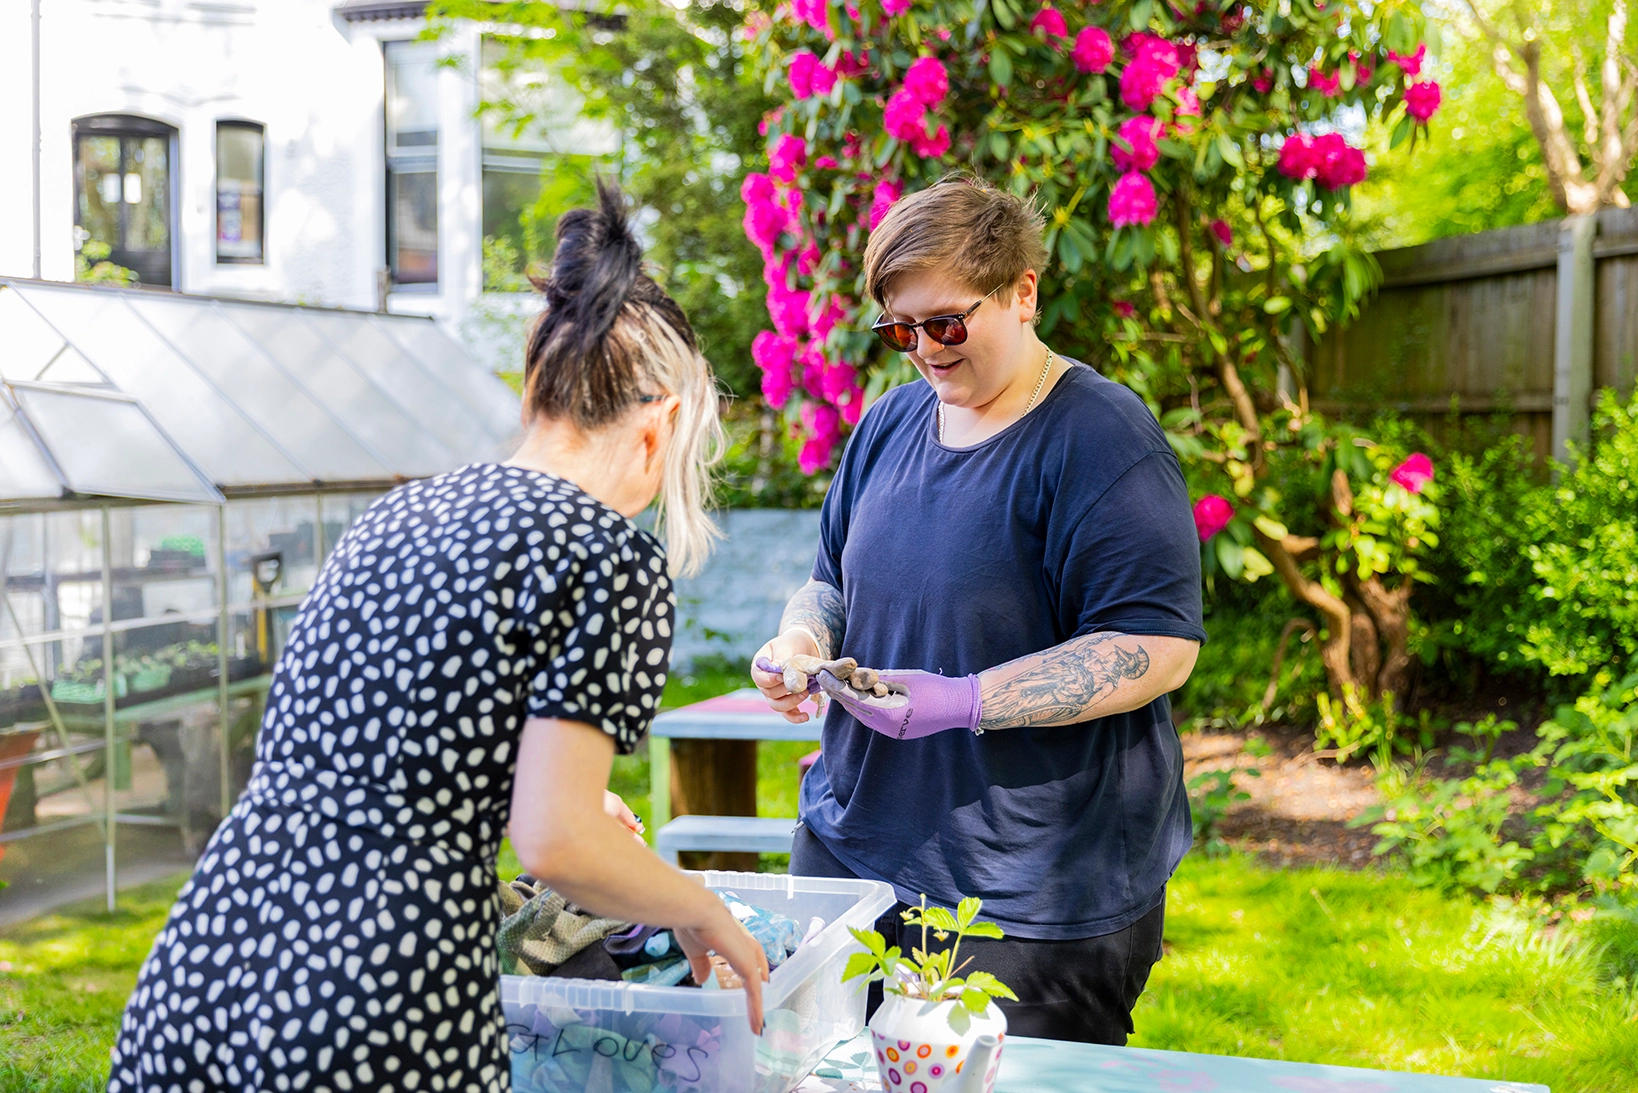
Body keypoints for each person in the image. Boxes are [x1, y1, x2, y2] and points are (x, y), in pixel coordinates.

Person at [108, 182, 769, 1093]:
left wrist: (515, 798)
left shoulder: (399, 512)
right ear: (658, 425)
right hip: (377, 991)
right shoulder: (603, 550)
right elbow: (557, 843)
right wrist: (695, 905)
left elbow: (376, 764)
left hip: (210, 957)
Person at [751, 177, 1205, 1045]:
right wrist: (800, 637)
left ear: (1023, 291)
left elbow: (1156, 645)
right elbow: (830, 583)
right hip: (852, 853)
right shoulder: (889, 423)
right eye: (900, 330)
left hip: (1028, 895)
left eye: (947, 323)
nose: (924, 348)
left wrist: (967, 700)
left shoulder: (1102, 438)